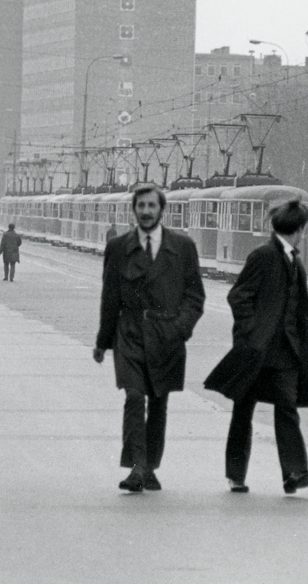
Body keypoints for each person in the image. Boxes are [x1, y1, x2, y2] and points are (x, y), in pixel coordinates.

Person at [204, 199, 308, 496]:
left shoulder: (294, 262)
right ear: (299, 230)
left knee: (287, 408)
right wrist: (250, 334)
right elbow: (239, 297)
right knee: (243, 412)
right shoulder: (262, 256)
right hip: (256, 352)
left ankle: (294, 472)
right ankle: (236, 475)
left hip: (284, 354)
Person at [93, 184, 205, 493]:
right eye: (140, 206)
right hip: (129, 333)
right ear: (134, 210)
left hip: (166, 335)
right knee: (134, 396)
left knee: (158, 403)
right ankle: (138, 466)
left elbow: (195, 297)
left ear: (161, 210)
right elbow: (109, 298)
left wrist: (181, 328)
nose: (145, 211)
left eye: (151, 206)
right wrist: (103, 342)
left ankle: (150, 465)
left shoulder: (183, 247)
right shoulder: (117, 248)